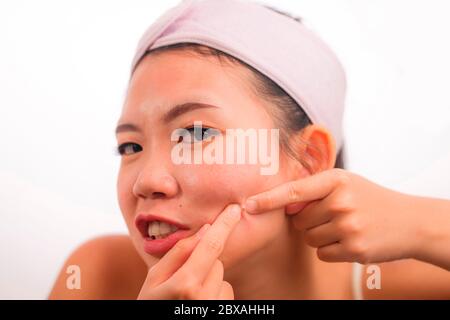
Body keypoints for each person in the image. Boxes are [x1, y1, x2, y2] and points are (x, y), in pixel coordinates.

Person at [49, 0, 450, 299]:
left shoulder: (405, 286)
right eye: (130, 145)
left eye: (194, 133)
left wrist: (424, 223)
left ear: (308, 160)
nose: (146, 180)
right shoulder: (100, 277)